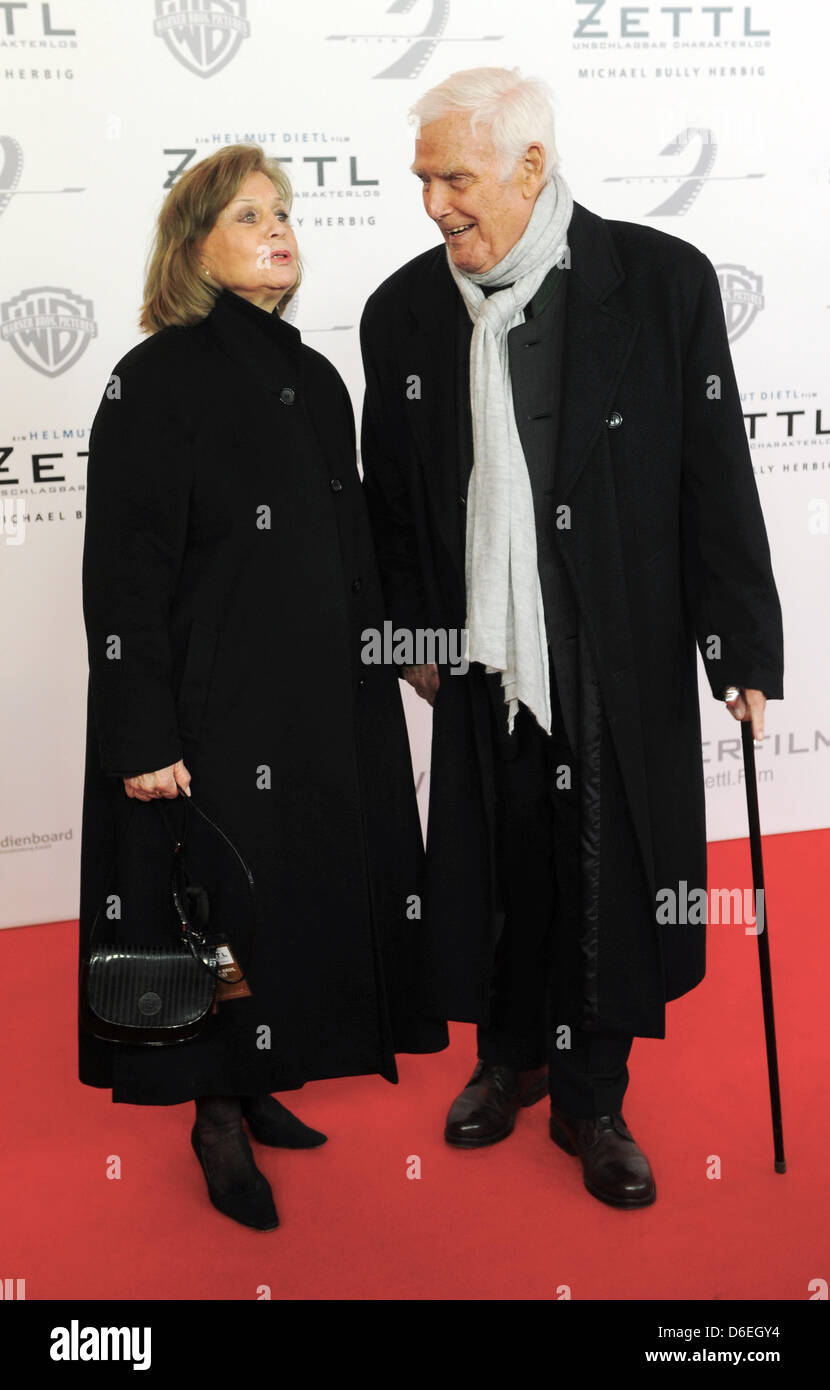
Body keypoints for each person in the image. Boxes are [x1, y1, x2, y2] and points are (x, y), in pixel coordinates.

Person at [359, 68, 783, 1209]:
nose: (435, 203)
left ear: (529, 167)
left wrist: (738, 643)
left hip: (615, 648)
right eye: (421, 180)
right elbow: (390, 503)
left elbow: (712, 472)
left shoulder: (654, 283)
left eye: (456, 177)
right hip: (482, 653)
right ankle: (508, 1059)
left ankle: (592, 1096)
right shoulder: (400, 312)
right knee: (498, 863)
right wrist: (408, 632)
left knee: (605, 869)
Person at [78, 143, 446, 1232]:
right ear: (193, 246)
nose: (278, 227)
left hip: (324, 707)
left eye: (282, 211)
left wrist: (406, 654)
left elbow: (357, 552)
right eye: (247, 215)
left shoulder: (318, 378)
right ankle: (214, 1118)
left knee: (290, 898)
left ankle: (259, 1074)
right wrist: (143, 732)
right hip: (211, 709)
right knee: (214, 913)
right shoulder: (151, 382)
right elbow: (122, 577)